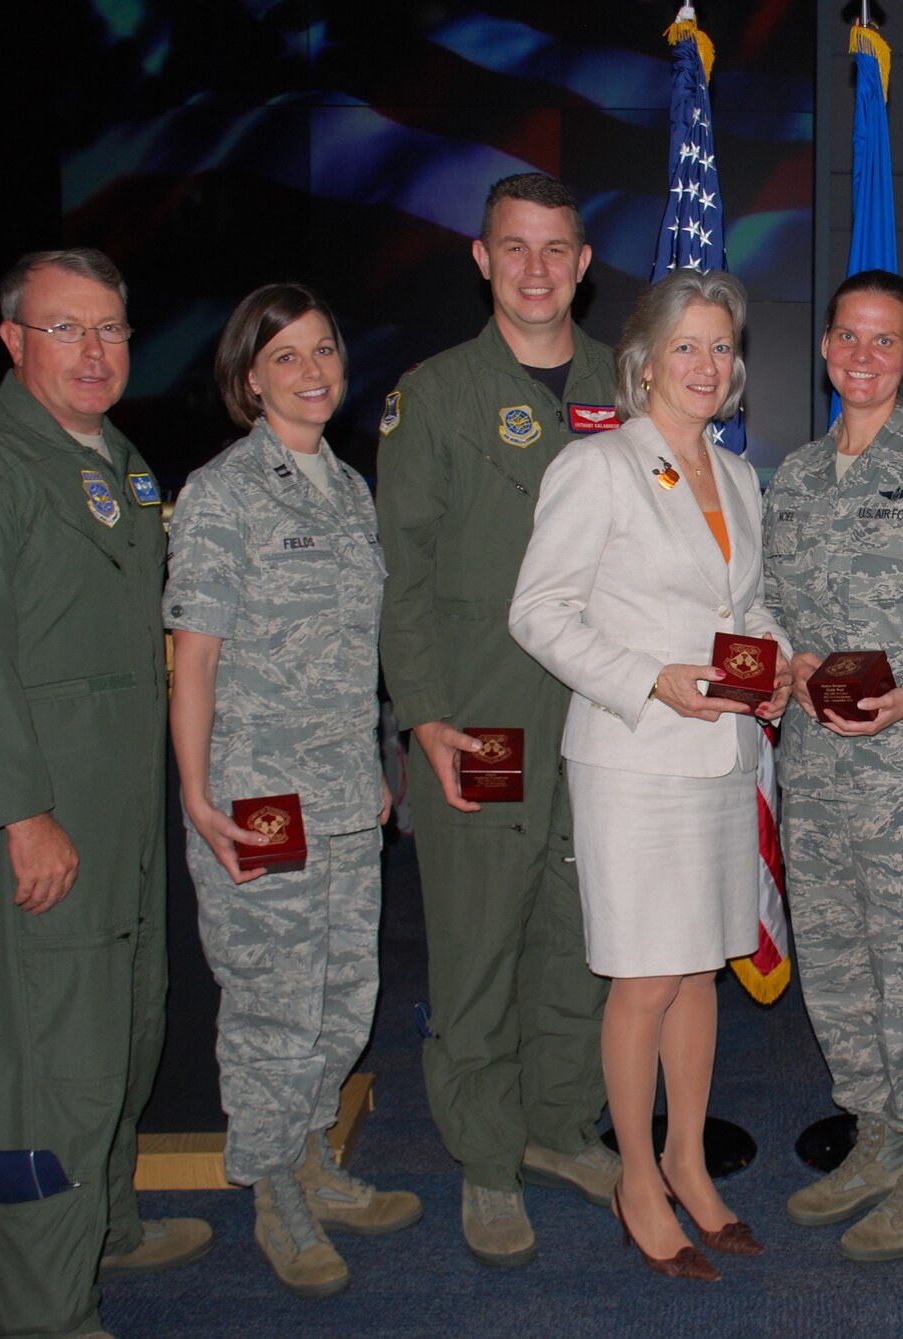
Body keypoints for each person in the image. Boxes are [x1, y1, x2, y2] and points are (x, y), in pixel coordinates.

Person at [0, 248, 211, 1339]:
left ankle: (107, 1223)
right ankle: (38, 1310)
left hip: (119, 816)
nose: (93, 350)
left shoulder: (116, 462)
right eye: (65, 328)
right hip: (44, 820)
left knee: (124, 1031)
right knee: (47, 1066)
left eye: (111, 328)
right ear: (12, 341)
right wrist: (19, 816)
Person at [509, 269, 792, 1282]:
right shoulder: (600, 468)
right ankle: (636, 1173)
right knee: (643, 974)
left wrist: (777, 657)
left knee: (701, 965)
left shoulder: (738, 474)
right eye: (687, 347)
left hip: (722, 758)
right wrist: (647, 682)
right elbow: (538, 612)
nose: (706, 366)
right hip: (633, 757)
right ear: (643, 361)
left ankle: (687, 1158)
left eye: (721, 347)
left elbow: (743, 606)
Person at [376, 172, 619, 1267]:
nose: (534, 268)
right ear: (482, 259)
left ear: (582, 262)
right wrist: (422, 713)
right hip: (480, 716)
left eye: (553, 248)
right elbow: (405, 572)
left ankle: (558, 1127)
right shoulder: (434, 395)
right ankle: (484, 1158)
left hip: (605, 719)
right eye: (512, 247)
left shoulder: (632, 378)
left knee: (580, 938)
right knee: (475, 944)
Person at [164, 283, 422, 1298]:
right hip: (258, 797)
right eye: (287, 358)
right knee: (272, 1001)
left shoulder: (348, 491)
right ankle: (273, 1185)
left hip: (345, 796)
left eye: (324, 351)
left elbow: (359, 656)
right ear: (248, 378)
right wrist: (195, 792)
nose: (313, 372)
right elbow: (193, 656)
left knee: (343, 989)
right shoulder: (224, 492)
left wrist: (372, 769)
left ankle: (316, 1152)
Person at [764, 271, 903, 1262]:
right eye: (845, 337)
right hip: (814, 771)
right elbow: (767, 602)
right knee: (839, 965)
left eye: (882, 339)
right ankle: (873, 1131)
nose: (861, 355)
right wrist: (793, 657)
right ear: (825, 349)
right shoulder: (796, 477)